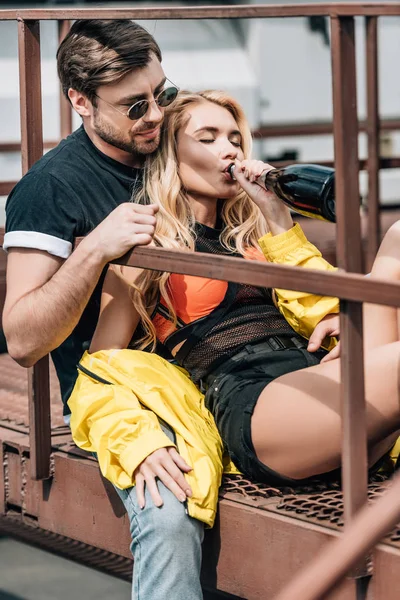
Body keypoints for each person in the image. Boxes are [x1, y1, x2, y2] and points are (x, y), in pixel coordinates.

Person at [72, 88, 400, 506]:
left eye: (234, 139)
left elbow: (322, 301)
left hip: (326, 381)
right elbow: (102, 369)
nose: (227, 150)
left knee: (397, 241)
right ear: (171, 154)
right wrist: (138, 443)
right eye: (207, 138)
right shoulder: (145, 248)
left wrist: (279, 219)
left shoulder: (258, 236)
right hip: (260, 404)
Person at [2, 20, 205, 600]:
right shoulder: (53, 188)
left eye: (162, 94)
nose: (155, 116)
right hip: (126, 395)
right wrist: (94, 248)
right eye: (134, 105)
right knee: (168, 516)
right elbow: (21, 338)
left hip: (213, 366)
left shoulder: (175, 141)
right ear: (80, 102)